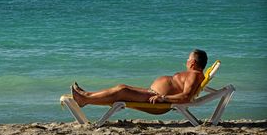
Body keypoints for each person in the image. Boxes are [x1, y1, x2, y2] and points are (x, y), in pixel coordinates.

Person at [72, 49, 208, 106]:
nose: (186, 60)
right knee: (122, 88)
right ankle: (86, 95)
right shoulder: (193, 75)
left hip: (156, 99)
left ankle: (85, 99)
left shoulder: (194, 75)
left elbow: (186, 97)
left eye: (188, 58)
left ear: (193, 63)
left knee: (121, 91)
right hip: (153, 94)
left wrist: (163, 98)